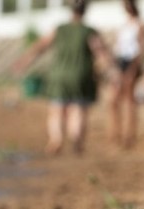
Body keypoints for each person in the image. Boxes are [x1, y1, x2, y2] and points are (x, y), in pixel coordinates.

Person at [14, 0, 113, 156]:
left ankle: (56, 139)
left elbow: (41, 46)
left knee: (57, 110)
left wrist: (24, 61)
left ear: (71, 10)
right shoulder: (89, 31)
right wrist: (110, 70)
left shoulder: (59, 29)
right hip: (81, 75)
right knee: (78, 109)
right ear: (85, 11)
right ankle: (76, 140)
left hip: (59, 75)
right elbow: (101, 52)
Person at [109, 0, 144, 148]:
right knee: (114, 99)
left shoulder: (139, 25)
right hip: (121, 61)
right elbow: (118, 46)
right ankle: (116, 133)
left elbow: (141, 49)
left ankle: (129, 135)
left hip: (132, 62)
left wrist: (134, 68)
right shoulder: (124, 24)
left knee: (130, 99)